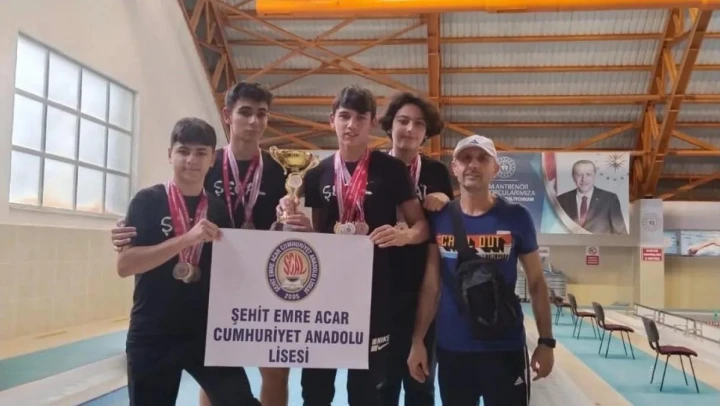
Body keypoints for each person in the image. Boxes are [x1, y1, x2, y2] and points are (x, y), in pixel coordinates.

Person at [111, 81, 311, 406]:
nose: (192, 160)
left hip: (234, 302)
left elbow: (261, 244)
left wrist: (289, 222)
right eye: (245, 112)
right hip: (168, 318)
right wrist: (177, 238)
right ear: (227, 115)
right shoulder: (171, 185)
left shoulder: (275, 174)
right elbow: (128, 260)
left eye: (261, 114)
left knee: (265, 379)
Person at [298, 84, 430, 405]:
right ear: (332, 120)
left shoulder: (392, 170)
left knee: (366, 391)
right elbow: (319, 232)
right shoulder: (317, 174)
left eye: (360, 118)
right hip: (326, 295)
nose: (351, 125)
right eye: (344, 116)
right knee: (315, 389)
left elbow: (422, 226)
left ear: (372, 122)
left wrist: (404, 235)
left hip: (375, 294)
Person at [116, 117, 260, 405]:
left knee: (241, 401)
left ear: (212, 159)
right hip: (153, 331)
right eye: (183, 151)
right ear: (170, 154)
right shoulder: (147, 201)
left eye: (200, 152)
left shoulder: (217, 210)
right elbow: (125, 265)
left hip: (205, 332)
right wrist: (186, 239)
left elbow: (231, 270)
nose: (191, 160)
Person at [407, 135, 555, 406]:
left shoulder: (517, 217)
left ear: (495, 168)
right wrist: (418, 340)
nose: (473, 165)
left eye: (482, 158)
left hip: (505, 346)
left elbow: (536, 282)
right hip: (453, 348)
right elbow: (431, 286)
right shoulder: (441, 219)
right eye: (465, 159)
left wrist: (546, 342)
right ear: (454, 168)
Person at [377, 92, 454, 406]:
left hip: (424, 287)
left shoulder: (437, 173)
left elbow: (450, 227)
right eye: (403, 121)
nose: (410, 129)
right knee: (381, 385)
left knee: (420, 383)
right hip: (380, 288)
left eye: (419, 124)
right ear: (389, 125)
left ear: (426, 132)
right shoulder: (372, 168)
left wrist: (447, 201)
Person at [556, 159, 627, 234]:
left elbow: (621, 233)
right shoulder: (561, 200)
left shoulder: (610, 199)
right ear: (573, 176)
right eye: (579, 175)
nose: (583, 179)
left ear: (594, 175)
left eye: (588, 174)